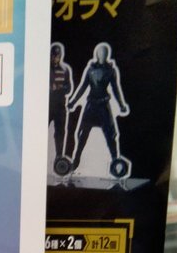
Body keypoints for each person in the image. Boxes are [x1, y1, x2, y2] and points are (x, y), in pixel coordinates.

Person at [68, 43, 129, 173]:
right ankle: (75, 161)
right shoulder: (90, 69)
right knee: (82, 135)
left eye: (104, 53)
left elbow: (116, 89)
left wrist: (121, 105)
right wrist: (73, 101)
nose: (102, 55)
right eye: (100, 53)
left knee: (111, 136)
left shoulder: (110, 71)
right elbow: (83, 86)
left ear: (107, 55)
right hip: (91, 106)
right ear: (97, 54)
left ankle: (115, 162)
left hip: (103, 106)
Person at [49, 42, 73, 163]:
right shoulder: (44, 68)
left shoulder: (65, 69)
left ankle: (59, 156)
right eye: (53, 55)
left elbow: (69, 88)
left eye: (57, 56)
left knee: (60, 132)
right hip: (47, 106)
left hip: (60, 106)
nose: (55, 58)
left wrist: (59, 88)